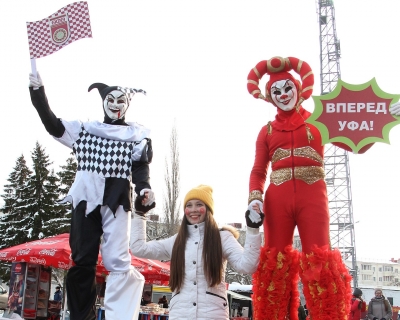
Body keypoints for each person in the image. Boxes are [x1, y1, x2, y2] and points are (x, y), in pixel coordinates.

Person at [245, 56, 376, 319]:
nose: (283, 95)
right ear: (269, 96)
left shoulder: (319, 121)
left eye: (287, 88)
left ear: (298, 88)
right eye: (276, 91)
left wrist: (380, 118)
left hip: (313, 198)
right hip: (276, 200)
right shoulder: (267, 131)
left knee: (320, 261)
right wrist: (254, 199)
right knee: (274, 265)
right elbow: (259, 171)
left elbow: (358, 144)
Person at [28, 73, 156, 320]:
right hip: (86, 198)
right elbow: (52, 123)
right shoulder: (85, 130)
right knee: (82, 258)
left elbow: (140, 167)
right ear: (103, 101)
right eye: (111, 99)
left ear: (127, 105)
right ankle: (80, 317)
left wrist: (143, 188)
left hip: (117, 199)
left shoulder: (135, 136)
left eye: (121, 100)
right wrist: (38, 92)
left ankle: (119, 316)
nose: (116, 104)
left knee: (118, 260)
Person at [130, 185, 263, 320]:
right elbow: (138, 248)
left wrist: (253, 230)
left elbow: (248, 265)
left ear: (208, 209)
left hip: (213, 315)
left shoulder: (222, 238)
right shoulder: (176, 241)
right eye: (189, 205)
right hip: (180, 315)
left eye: (199, 204)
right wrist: (140, 215)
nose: (193, 210)